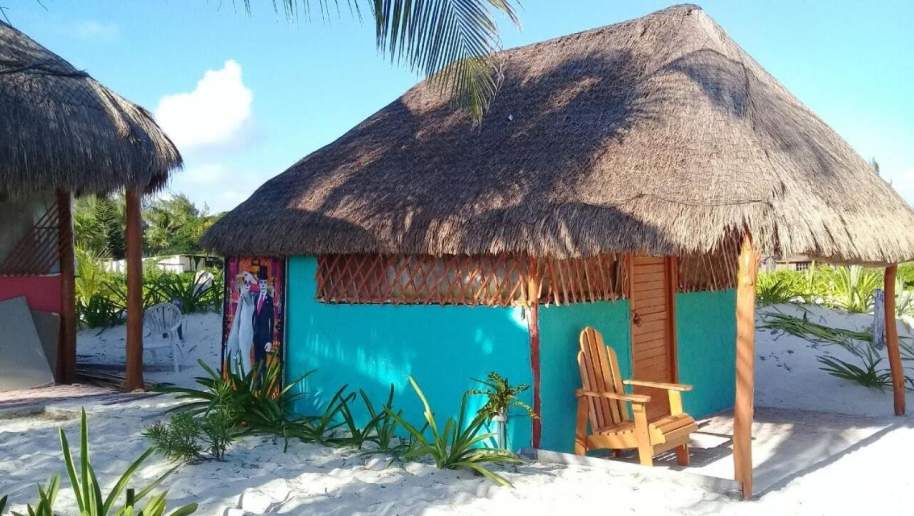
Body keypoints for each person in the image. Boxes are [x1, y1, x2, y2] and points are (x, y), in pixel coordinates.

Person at [225, 271, 256, 374]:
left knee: (245, 356)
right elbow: (238, 318)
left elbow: (254, 282)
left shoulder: (248, 298)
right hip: (242, 330)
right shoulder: (242, 298)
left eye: (248, 283)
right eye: (245, 283)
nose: (247, 285)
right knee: (240, 355)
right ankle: (241, 377)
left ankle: (247, 378)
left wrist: (248, 276)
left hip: (247, 331)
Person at [252, 268, 275, 365]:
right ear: (258, 284)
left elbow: (271, 321)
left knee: (263, 363)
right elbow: (254, 317)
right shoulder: (256, 297)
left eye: (264, 283)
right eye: (261, 283)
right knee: (257, 362)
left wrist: (270, 340)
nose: (262, 285)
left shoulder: (269, 300)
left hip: (265, 337)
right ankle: (257, 380)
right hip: (256, 336)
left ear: (267, 284)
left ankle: (263, 380)